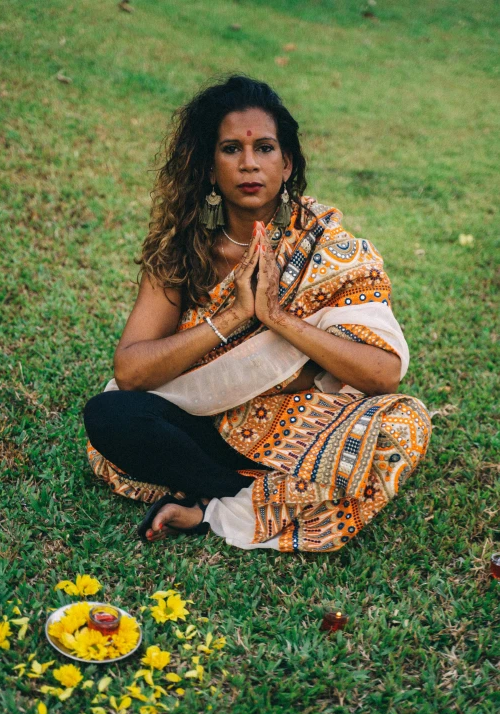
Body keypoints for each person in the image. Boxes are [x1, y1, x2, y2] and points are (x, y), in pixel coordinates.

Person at [83, 75, 431, 553]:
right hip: (202, 423)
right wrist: (231, 317)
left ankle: (208, 504)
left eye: (265, 148)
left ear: (286, 164)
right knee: (109, 415)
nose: (249, 163)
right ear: (209, 166)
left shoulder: (327, 247)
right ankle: (244, 496)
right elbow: (131, 372)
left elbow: (382, 374)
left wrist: (277, 318)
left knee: (403, 426)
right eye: (230, 149)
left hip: (300, 427)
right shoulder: (182, 251)